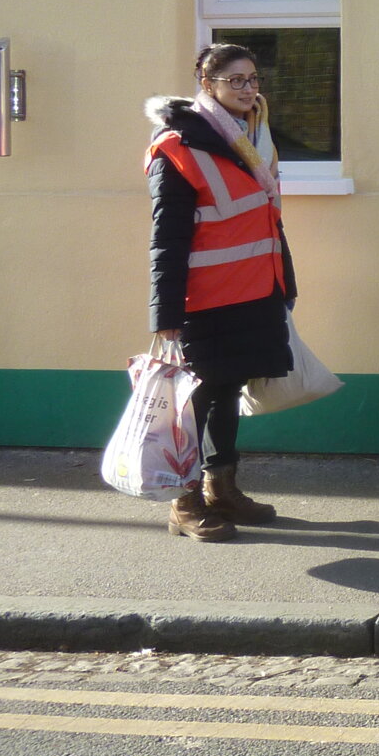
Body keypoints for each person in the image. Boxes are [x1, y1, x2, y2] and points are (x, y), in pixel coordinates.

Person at [144, 45, 296, 542]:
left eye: (253, 79)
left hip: (252, 293)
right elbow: (167, 238)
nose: (249, 89)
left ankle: (221, 489)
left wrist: (284, 284)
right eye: (236, 80)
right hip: (202, 302)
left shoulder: (252, 141)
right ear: (207, 85)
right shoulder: (177, 147)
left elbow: (267, 221)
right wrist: (164, 314)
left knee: (229, 391)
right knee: (196, 400)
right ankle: (183, 503)